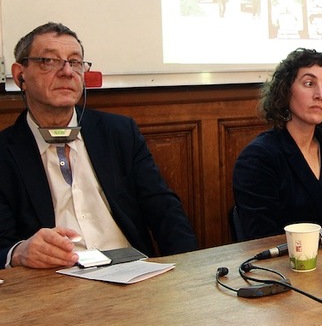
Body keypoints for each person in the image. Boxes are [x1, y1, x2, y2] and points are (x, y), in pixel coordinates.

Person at [0, 22, 197, 269]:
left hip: (133, 272)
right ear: (20, 75)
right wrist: (19, 252)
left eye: (74, 62)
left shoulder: (119, 133)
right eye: (49, 61)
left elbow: (165, 211)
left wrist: (191, 271)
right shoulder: (5, 153)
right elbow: (3, 245)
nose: (66, 72)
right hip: (55, 283)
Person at [233, 48, 322, 240]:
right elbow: (261, 238)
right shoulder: (258, 157)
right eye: (309, 83)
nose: (320, 94)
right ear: (286, 91)